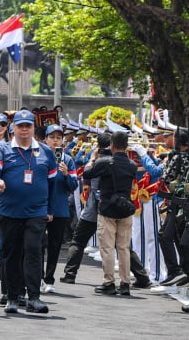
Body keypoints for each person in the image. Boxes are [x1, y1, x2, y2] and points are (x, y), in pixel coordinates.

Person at [0, 110, 57, 314]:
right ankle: (12, 296)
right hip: (10, 212)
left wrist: (50, 209)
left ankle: (34, 297)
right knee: (11, 254)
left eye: (28, 126)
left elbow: (53, 183)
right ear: (14, 128)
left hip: (36, 212)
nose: (24, 129)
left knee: (34, 251)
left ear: (33, 128)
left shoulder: (45, 152)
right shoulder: (3, 149)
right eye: (21, 126)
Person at [83, 130, 137, 296]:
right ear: (127, 146)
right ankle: (125, 283)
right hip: (126, 209)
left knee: (107, 248)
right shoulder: (132, 165)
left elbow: (87, 174)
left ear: (112, 145)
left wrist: (92, 159)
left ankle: (109, 282)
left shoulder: (104, 162)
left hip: (107, 209)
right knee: (124, 248)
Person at [41, 124, 78, 293]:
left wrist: (65, 174)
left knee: (55, 246)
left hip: (60, 209)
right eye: (52, 137)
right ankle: (37, 277)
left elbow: (73, 185)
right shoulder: (39, 156)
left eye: (58, 138)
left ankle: (49, 279)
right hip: (40, 208)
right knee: (38, 245)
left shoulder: (68, 160)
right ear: (45, 139)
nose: (55, 141)